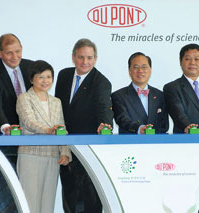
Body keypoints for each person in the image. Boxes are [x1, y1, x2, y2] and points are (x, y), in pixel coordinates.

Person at [55, 38, 113, 213]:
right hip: (65, 147)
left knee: (89, 199)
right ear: (73, 57)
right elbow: (58, 108)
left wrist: (106, 125)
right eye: (81, 57)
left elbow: (104, 108)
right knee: (69, 196)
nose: (85, 62)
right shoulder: (63, 75)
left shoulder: (101, 82)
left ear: (95, 59)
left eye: (89, 58)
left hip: (89, 149)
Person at [163, 43, 199, 212]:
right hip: (186, 149)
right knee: (187, 196)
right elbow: (178, 113)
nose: (192, 62)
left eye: (197, 59)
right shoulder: (172, 87)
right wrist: (188, 126)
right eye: (187, 59)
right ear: (181, 62)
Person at [0, 33, 33, 212]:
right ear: (0, 53)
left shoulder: (31, 67)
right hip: (6, 144)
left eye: (17, 51)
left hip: (32, 142)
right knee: (7, 193)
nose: (14, 57)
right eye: (9, 53)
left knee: (28, 193)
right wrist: (5, 127)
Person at [16, 60, 72, 213]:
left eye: (48, 77)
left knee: (47, 205)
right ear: (31, 79)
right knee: (29, 204)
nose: (45, 81)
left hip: (53, 156)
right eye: (40, 77)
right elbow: (28, 122)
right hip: (30, 155)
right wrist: (48, 130)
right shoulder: (24, 98)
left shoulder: (56, 102)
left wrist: (65, 152)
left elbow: (61, 127)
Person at [112, 52, 168, 134]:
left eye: (144, 67)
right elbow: (122, 120)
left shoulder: (160, 95)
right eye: (136, 67)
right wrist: (139, 129)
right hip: (129, 143)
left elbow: (164, 126)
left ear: (150, 70)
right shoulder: (118, 96)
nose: (140, 71)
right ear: (129, 71)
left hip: (156, 144)